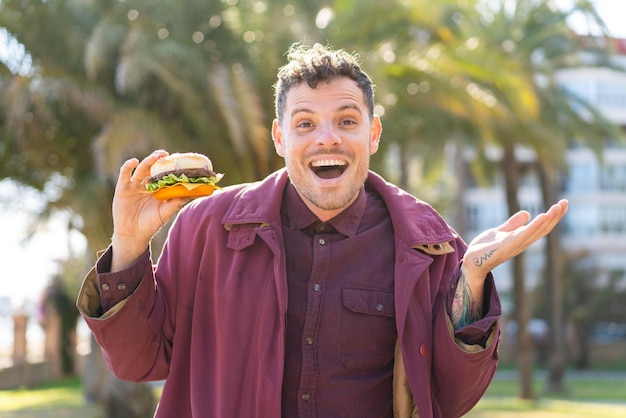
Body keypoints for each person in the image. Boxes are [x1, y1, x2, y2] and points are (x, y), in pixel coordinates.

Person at [76, 43, 568, 418]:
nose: (326, 138)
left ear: (372, 133)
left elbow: (451, 395)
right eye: (305, 123)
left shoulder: (431, 245)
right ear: (279, 137)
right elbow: (140, 362)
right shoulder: (204, 229)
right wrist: (129, 245)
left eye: (346, 120)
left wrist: (474, 278)